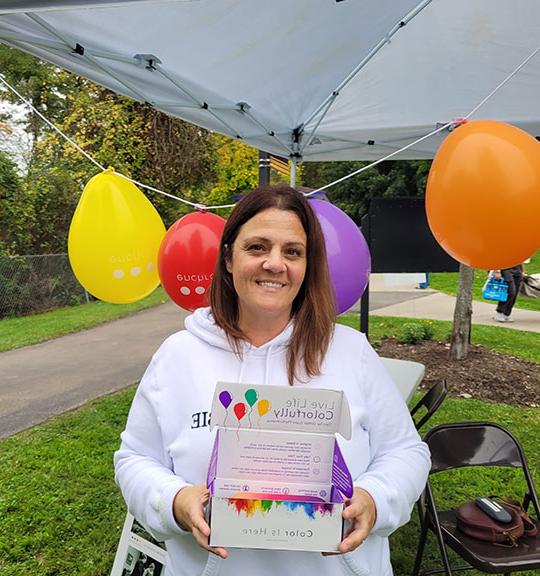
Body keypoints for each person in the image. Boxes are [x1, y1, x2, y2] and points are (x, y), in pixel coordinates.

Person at [114, 186, 430, 576]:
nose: (274, 264)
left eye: (292, 251)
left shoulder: (351, 351)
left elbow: (407, 452)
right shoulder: (178, 356)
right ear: (228, 258)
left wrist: (376, 499)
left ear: (307, 264)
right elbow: (135, 460)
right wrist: (174, 500)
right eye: (257, 247)